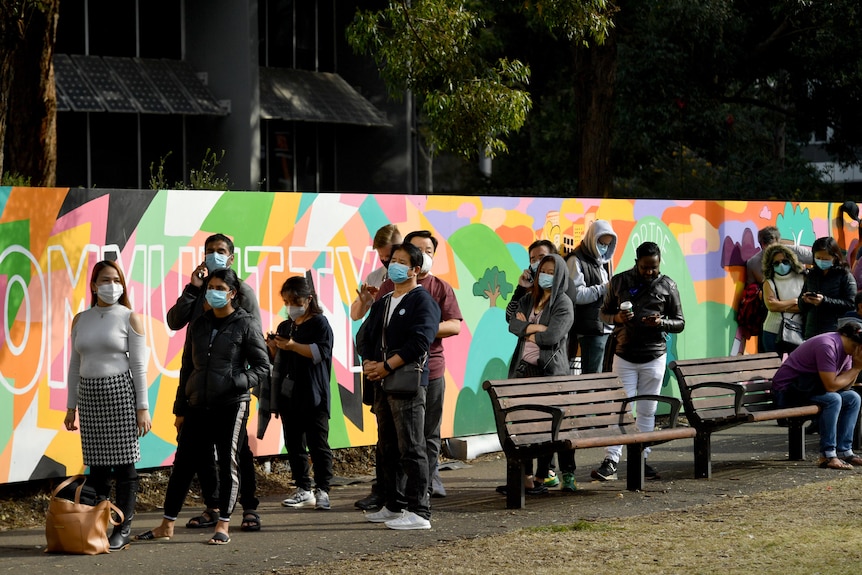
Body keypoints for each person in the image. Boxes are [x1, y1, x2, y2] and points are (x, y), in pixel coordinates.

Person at [136, 268, 270, 545]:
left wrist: (236, 381)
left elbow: (263, 367)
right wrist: (180, 409)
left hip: (231, 405)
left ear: (232, 293)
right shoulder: (199, 324)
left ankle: (223, 525)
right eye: (210, 286)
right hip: (197, 404)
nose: (213, 292)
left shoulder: (245, 324)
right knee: (183, 464)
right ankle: (166, 524)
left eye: (220, 287)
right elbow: (187, 368)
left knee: (227, 462)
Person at [165, 232, 263, 532]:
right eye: (210, 250)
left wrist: (237, 381)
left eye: (220, 251)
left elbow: (254, 341)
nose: (214, 254)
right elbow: (174, 321)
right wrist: (193, 287)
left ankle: (249, 508)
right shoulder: (201, 289)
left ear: (231, 257)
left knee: (238, 452)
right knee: (199, 452)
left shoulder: (240, 291)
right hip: (198, 381)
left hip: (230, 393)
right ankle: (213, 505)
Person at [359, 230, 462, 505]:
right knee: (389, 440)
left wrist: (419, 330)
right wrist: (371, 361)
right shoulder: (387, 292)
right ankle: (391, 497)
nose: (421, 254)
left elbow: (450, 327)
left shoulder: (434, 291)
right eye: (412, 249)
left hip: (425, 371)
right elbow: (368, 329)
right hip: (384, 374)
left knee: (422, 438)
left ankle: (421, 496)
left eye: (427, 250)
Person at [64, 260, 152, 551]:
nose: (111, 285)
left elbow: (139, 365)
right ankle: (97, 524)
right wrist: (70, 406)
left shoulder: (129, 317)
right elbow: (75, 364)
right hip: (90, 395)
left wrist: (143, 407)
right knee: (98, 468)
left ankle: (123, 527)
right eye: (105, 280)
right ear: (93, 285)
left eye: (116, 280)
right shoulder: (81, 319)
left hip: (120, 393)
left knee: (126, 466)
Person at [357, 243, 441, 530]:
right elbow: (364, 334)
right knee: (387, 447)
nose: (395, 266)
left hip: (406, 384)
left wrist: (387, 365)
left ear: (415, 269)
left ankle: (420, 511)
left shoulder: (423, 301)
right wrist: (369, 361)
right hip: (380, 382)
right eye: (393, 260)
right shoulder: (384, 300)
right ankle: (393, 505)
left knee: (412, 446)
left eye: (402, 262)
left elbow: (419, 342)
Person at [591, 241, 685, 482]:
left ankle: (642, 458)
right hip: (624, 354)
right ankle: (611, 459)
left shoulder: (668, 286)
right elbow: (603, 313)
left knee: (647, 410)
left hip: (654, 355)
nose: (649, 272)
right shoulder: (619, 281)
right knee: (621, 408)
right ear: (637, 263)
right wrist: (617, 317)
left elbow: (680, 322)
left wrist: (662, 322)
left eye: (653, 267)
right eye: (645, 267)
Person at [263, 276, 335, 511]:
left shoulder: (320, 323)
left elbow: (319, 353)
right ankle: (304, 488)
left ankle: (323, 489)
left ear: (309, 299)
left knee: (318, 444)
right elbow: (280, 361)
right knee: (294, 444)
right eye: (286, 301)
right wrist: (274, 348)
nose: (290, 305)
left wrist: (293, 345)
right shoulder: (286, 326)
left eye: (295, 300)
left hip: (314, 393)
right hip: (288, 393)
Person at [507, 253, 576, 491]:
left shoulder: (563, 303)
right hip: (523, 370)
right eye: (543, 271)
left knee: (547, 427)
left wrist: (527, 329)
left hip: (549, 373)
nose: (545, 275)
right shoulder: (528, 300)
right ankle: (525, 479)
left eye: (551, 272)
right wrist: (534, 328)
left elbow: (552, 337)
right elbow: (512, 326)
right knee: (523, 426)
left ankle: (541, 477)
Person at [771, 318, 862, 470]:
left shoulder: (847, 351)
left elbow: (845, 386)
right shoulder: (827, 345)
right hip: (787, 392)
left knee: (853, 398)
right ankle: (827, 455)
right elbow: (831, 385)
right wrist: (857, 368)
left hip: (809, 388)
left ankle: (845, 451)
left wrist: (855, 367)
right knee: (833, 399)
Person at [567, 220, 617, 374]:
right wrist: (604, 288)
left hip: (607, 327)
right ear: (591, 238)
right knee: (592, 376)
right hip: (591, 329)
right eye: (600, 243)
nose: (603, 248)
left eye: (607, 244)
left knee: (605, 376)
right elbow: (577, 295)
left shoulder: (602, 261)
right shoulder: (576, 260)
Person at [798, 236, 856, 339]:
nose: (821, 261)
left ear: (835, 257)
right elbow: (801, 305)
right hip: (811, 331)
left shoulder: (844, 275)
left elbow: (851, 304)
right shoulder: (812, 275)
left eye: (825, 259)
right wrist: (805, 300)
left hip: (834, 331)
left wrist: (824, 301)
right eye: (818, 258)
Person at [350, 224, 401, 321]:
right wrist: (363, 302)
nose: (385, 259)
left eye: (388, 255)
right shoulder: (375, 277)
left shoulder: (416, 276)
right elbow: (354, 316)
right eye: (381, 255)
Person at [761, 244, 805, 354]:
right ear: (771, 265)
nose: (781, 265)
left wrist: (780, 305)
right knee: (772, 367)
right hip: (772, 331)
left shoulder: (803, 278)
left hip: (797, 330)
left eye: (785, 261)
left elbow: (804, 306)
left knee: (798, 366)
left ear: (791, 260)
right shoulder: (769, 282)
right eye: (776, 263)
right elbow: (771, 306)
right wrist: (794, 301)